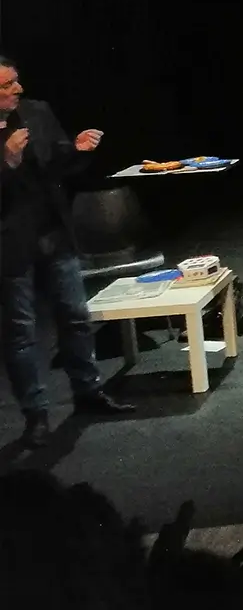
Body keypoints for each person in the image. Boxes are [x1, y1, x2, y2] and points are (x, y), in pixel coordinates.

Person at [0, 56, 135, 447]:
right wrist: (5, 161)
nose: (17, 90)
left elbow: (59, 164)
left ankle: (88, 391)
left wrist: (77, 149)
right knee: (21, 333)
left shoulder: (37, 112)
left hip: (54, 232)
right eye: (7, 86)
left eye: (16, 82)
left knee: (76, 316)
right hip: (11, 243)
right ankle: (35, 414)